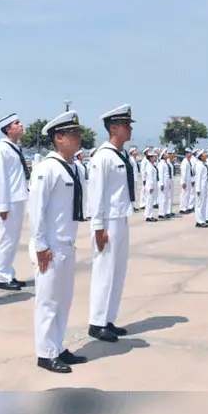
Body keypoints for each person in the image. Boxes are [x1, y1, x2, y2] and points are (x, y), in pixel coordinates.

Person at [29, 111, 88, 373]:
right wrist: (41, 246)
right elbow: (37, 210)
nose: (79, 138)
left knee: (63, 300)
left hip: (67, 243)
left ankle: (58, 346)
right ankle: (45, 352)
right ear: (59, 138)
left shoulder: (73, 167)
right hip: (50, 246)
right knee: (48, 301)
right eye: (73, 134)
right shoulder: (47, 168)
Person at [87, 104, 138, 343]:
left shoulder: (123, 155)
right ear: (114, 128)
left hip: (122, 217)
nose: (130, 129)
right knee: (104, 272)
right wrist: (98, 227)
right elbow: (96, 194)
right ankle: (96, 322)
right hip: (108, 221)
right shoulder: (103, 156)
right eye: (126, 125)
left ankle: (108, 319)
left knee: (118, 272)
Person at [0, 113, 30, 291]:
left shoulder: (14, 147)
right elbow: (0, 178)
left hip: (18, 197)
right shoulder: (2, 149)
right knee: (5, 239)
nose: (21, 125)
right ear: (8, 129)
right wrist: (3, 205)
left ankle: (9, 272)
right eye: (17, 123)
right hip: (9, 200)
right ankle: (2, 276)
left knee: (13, 240)